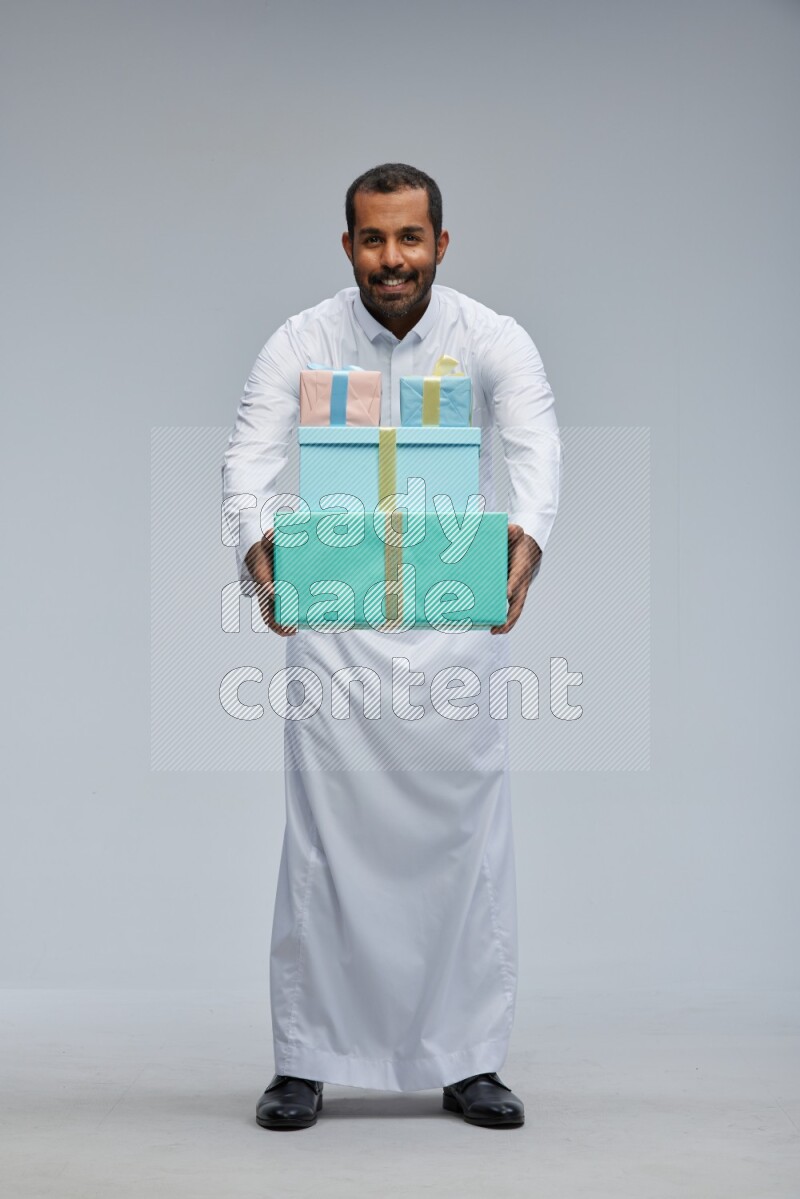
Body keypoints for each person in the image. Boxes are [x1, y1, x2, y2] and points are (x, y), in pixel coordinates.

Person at [221, 163, 561, 1130]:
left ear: (441, 245)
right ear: (348, 247)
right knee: (325, 842)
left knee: (467, 841)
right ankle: (305, 1056)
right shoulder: (305, 338)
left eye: (410, 238)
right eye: (374, 239)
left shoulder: (491, 338)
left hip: (454, 616)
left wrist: (528, 538)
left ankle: (469, 1060)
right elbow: (250, 447)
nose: (392, 259)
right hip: (337, 621)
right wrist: (256, 549)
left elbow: (536, 443)